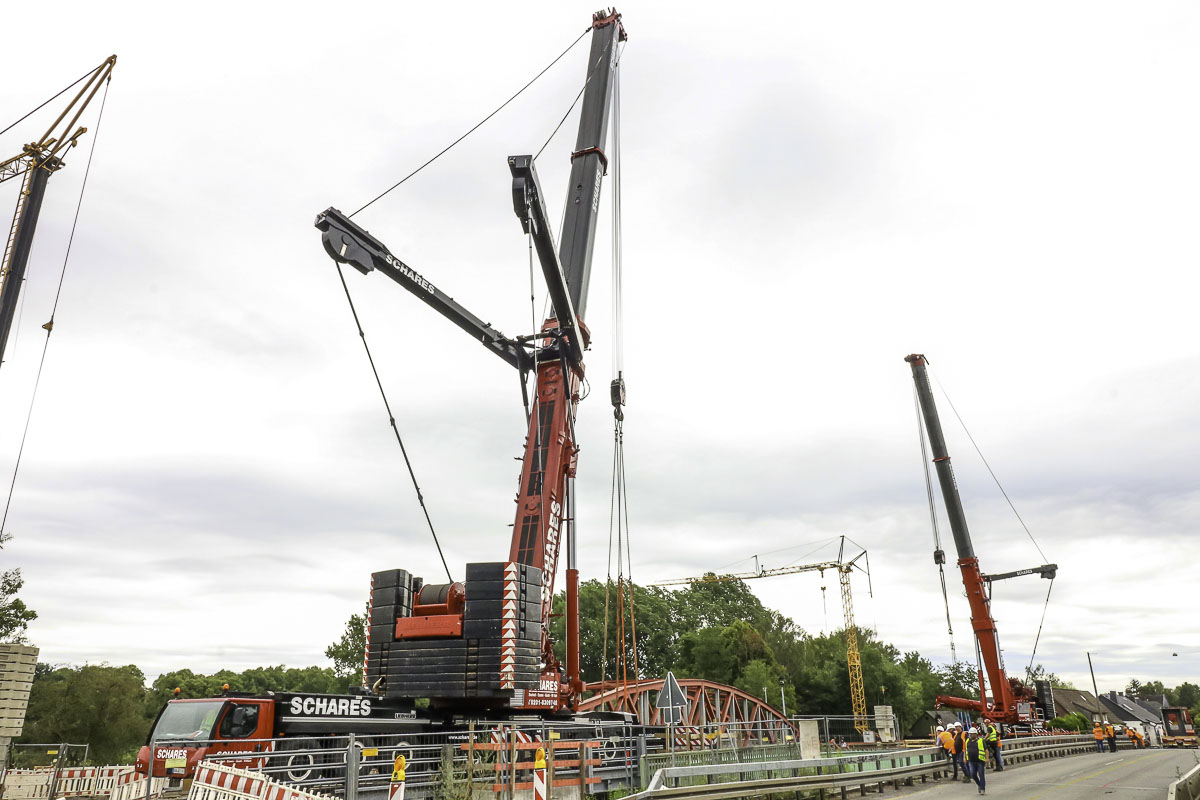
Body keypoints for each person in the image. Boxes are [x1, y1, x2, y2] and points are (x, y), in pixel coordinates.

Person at [965, 726, 987, 794]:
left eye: (972, 734)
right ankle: (979, 785)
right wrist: (965, 757)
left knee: (981, 775)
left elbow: (986, 750)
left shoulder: (980, 741)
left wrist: (987, 758)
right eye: (970, 734)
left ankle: (982, 788)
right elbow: (965, 750)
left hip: (980, 761)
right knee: (973, 774)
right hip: (971, 761)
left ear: (975, 734)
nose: (971, 735)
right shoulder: (968, 741)